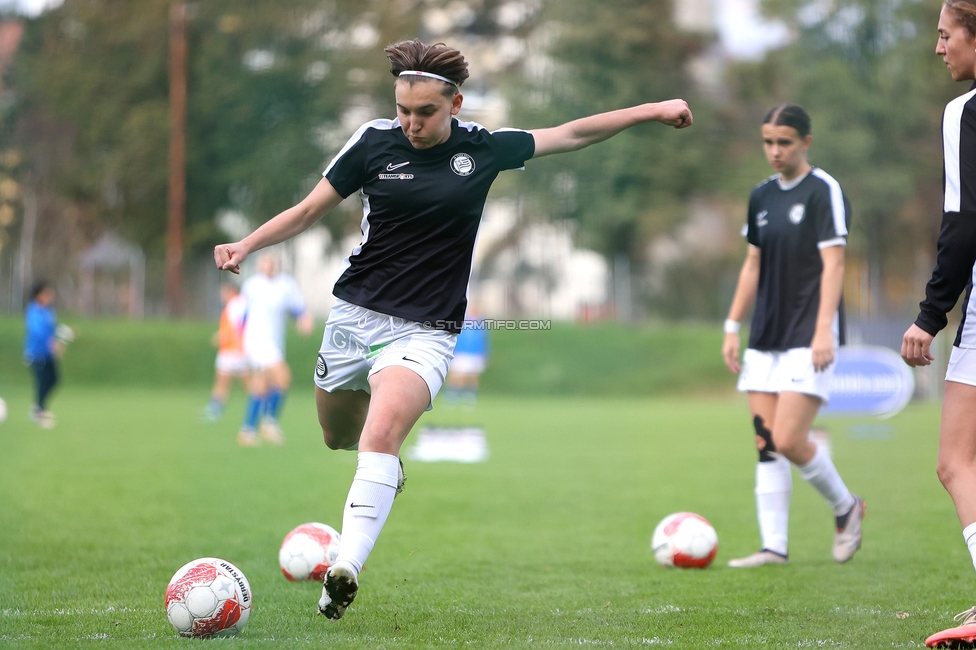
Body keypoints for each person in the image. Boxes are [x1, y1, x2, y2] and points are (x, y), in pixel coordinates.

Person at [214, 38, 693, 621]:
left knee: (381, 433)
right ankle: (382, 472)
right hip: (354, 315)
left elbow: (569, 134)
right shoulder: (371, 142)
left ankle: (345, 568)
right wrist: (247, 243)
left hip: (427, 329)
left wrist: (650, 111)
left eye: (425, 113)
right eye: (403, 111)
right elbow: (310, 210)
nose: (411, 123)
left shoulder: (482, 150)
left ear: (455, 104)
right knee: (338, 436)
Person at [722, 103, 864, 568]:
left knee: (788, 438)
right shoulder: (762, 196)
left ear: (806, 141)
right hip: (766, 332)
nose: (775, 151)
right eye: (768, 142)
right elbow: (752, 264)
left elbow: (835, 262)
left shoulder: (824, 190)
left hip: (810, 332)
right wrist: (731, 325)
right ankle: (774, 547)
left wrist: (825, 328)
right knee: (766, 442)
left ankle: (846, 507)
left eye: (784, 141)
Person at [901, 3, 976, 646]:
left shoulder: (965, 112)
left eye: (946, 35)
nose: (938, 48)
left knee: (957, 462)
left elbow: (962, 224)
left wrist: (930, 316)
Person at [236, 253, 313, 447]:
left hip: (275, 341)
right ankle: (269, 423)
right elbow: (243, 315)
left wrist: (303, 318)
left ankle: (247, 431)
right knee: (283, 378)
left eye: (270, 262)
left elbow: (297, 308)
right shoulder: (252, 285)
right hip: (256, 340)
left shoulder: (286, 284)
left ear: (276, 264)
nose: (266, 265)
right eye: (263, 262)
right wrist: (239, 340)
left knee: (261, 385)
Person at [202, 282, 248, 422]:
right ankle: (215, 408)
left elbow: (238, 327)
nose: (222, 295)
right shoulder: (235, 304)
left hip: (234, 351)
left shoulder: (237, 304)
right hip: (229, 350)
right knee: (222, 380)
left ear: (231, 291)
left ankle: (262, 406)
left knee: (247, 383)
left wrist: (221, 336)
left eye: (224, 292)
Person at [23, 280, 64, 429]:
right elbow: (37, 331)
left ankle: (38, 408)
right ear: (39, 295)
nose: (50, 295)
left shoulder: (48, 311)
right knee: (42, 383)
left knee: (54, 380)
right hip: (37, 354)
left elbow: (53, 328)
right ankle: (40, 413)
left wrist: (60, 336)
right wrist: (51, 343)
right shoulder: (33, 311)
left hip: (48, 354)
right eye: (47, 293)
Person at [443, 308, 489, 408]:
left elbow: (484, 340)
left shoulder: (480, 323)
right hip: (461, 353)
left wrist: (485, 354)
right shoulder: (462, 321)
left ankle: (470, 398)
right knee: (456, 376)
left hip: (475, 354)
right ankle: (451, 397)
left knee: (473, 377)